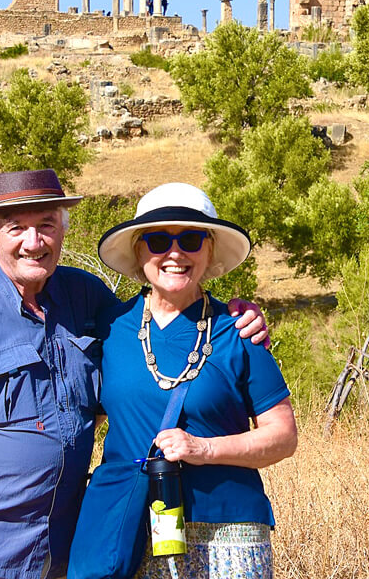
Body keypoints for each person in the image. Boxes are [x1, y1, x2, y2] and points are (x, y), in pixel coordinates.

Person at [0, 170, 269, 579]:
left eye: (46, 225)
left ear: (63, 232)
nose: (34, 243)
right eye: (17, 228)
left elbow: (158, 330)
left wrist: (237, 317)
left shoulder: (86, 298)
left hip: (64, 551)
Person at [90, 182, 297, 579]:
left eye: (190, 239)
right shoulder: (110, 328)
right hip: (130, 530)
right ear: (138, 251)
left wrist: (202, 448)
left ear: (209, 251)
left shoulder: (239, 331)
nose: (174, 252)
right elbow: (87, 418)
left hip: (229, 533)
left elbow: (283, 436)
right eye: (156, 240)